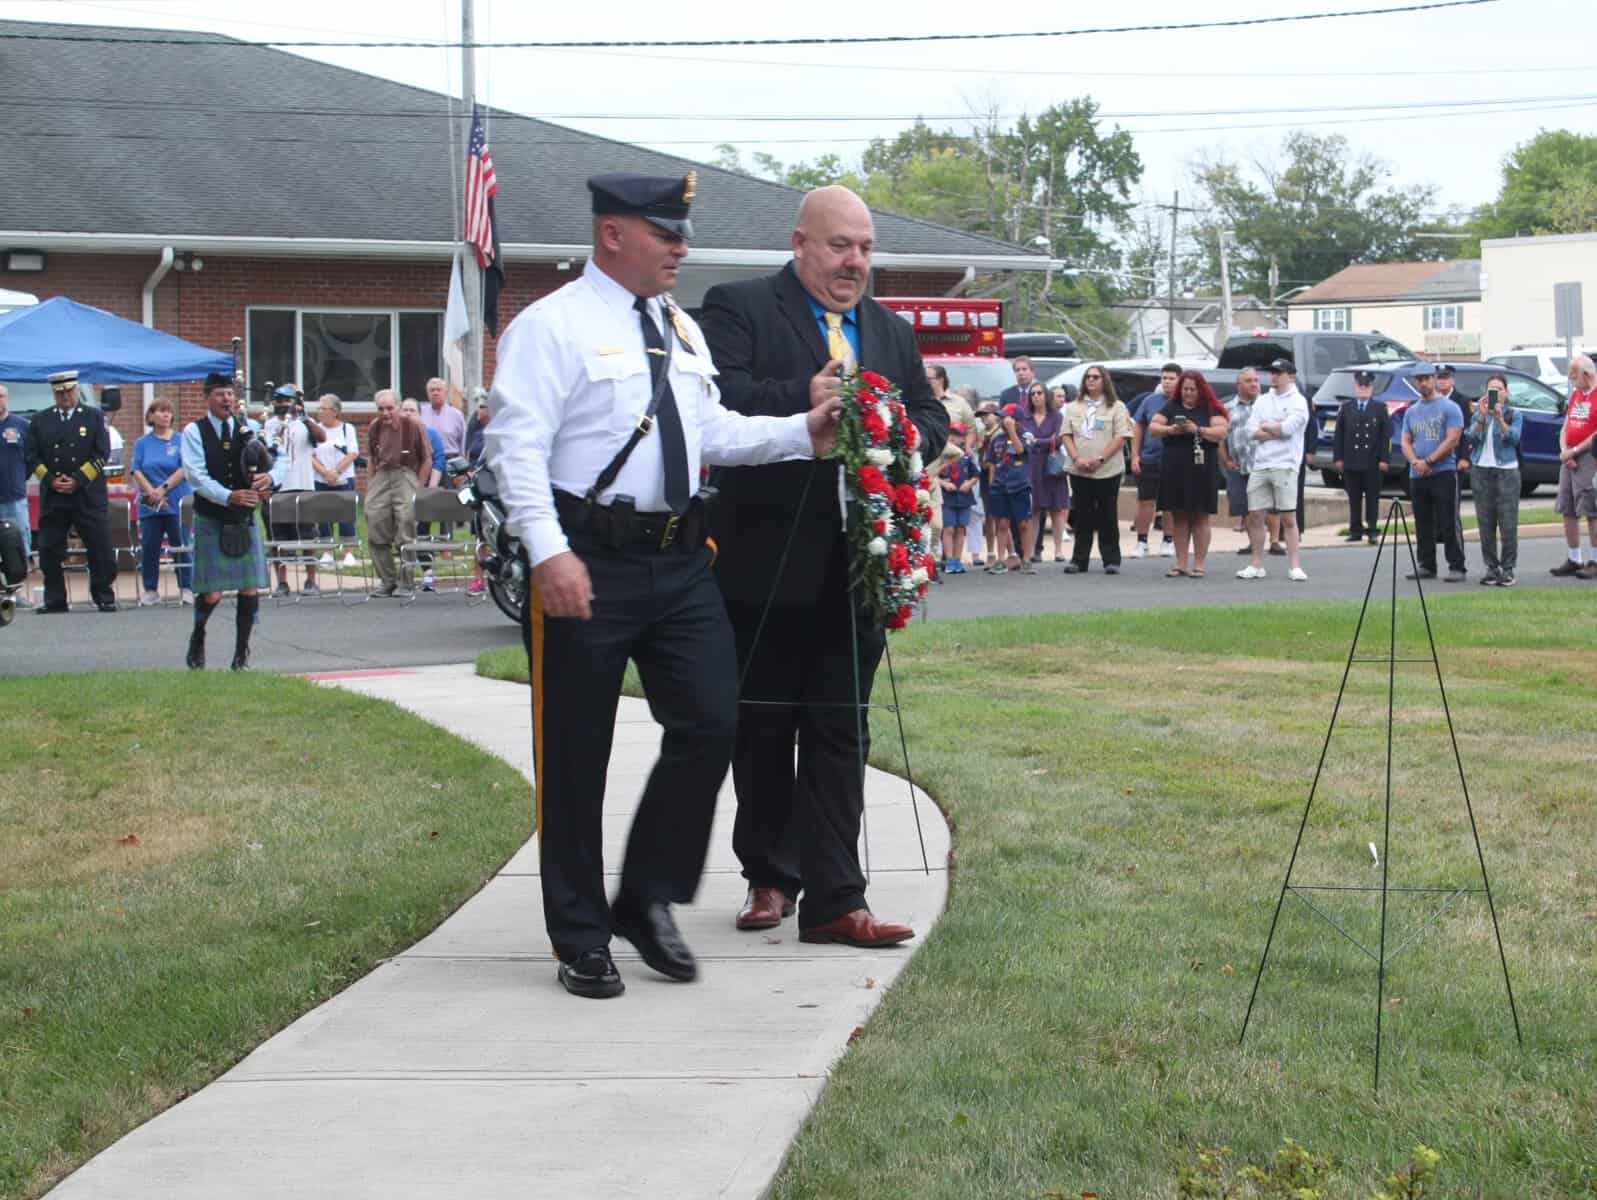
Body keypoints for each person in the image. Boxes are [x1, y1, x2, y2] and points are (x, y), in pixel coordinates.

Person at [485, 172, 845, 1000]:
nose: (680, 247)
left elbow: (707, 429)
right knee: (576, 755)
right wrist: (547, 553)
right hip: (587, 555)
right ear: (611, 234)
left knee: (713, 723)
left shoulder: (678, 326)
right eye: (663, 232)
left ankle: (645, 896)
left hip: (681, 558)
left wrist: (800, 431)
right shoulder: (553, 327)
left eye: (681, 232)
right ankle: (579, 934)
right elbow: (517, 449)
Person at [700, 183, 946, 951]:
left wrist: (898, 432)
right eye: (841, 246)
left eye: (866, 248)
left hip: (858, 568)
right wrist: (797, 400)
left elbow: (931, 417)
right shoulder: (737, 307)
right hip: (762, 558)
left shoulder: (888, 330)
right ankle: (769, 876)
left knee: (842, 729)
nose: (855, 262)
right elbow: (719, 399)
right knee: (763, 724)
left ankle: (839, 899)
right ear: (800, 243)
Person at [180, 372, 286, 670]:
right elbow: (195, 476)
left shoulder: (250, 427)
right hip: (212, 516)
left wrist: (271, 478)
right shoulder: (194, 431)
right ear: (207, 397)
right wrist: (229, 496)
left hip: (244, 519)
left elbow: (281, 457)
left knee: (249, 588)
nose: (227, 399)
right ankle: (198, 636)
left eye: (230, 394)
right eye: (219, 394)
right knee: (212, 590)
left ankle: (241, 654)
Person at [24, 370, 117, 613]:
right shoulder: (40, 420)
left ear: (77, 390)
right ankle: (55, 599)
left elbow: (101, 453)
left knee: (99, 547)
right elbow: (32, 456)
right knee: (48, 548)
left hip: (86, 494)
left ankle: (104, 595)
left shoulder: (93, 417)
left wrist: (77, 479)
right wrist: (50, 479)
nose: (66, 396)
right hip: (54, 495)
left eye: (69, 391)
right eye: (60, 392)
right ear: (54, 393)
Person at [1237, 359, 1310, 582]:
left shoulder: (1299, 401)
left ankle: (1294, 566)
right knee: (1256, 515)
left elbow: (1289, 429)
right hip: (1261, 464)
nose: (1275, 376)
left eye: (1279, 373)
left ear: (1291, 376)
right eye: (1273, 372)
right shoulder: (1262, 400)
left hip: (1286, 465)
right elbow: (1250, 430)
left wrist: (1269, 426)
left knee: (1288, 517)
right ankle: (1256, 564)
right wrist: (1274, 428)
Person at [1150, 370, 1227, 577]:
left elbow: (1221, 432)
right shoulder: (1171, 406)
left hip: (1202, 468)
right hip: (1175, 468)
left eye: (1192, 389)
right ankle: (1181, 563)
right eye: (1185, 389)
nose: (1188, 393)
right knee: (1179, 516)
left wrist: (1198, 430)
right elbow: (1153, 427)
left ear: (1200, 389)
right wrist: (1171, 430)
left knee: (1201, 516)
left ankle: (1199, 564)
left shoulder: (1211, 408)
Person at [1061, 363, 1132, 574]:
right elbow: (1066, 434)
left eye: (1095, 377)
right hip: (1079, 469)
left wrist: (1100, 459)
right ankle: (1079, 560)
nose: (1090, 380)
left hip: (1107, 469)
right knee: (1082, 515)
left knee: (1107, 515)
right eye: (1088, 377)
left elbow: (1121, 437)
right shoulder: (1074, 407)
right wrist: (1077, 458)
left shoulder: (1117, 407)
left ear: (1104, 381)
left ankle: (1111, 560)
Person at [1400, 363, 1467, 582]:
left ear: (1435, 379)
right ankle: (1426, 564)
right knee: (1423, 521)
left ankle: (1457, 565)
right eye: (1419, 380)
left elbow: (1452, 439)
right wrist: (1415, 462)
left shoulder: (1450, 408)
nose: (1423, 383)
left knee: (1448, 520)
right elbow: (1405, 440)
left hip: (1444, 472)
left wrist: (1429, 461)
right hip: (1417, 474)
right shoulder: (1412, 410)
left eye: (1427, 378)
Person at [262, 383, 326, 597]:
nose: (282, 405)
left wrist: (305, 416)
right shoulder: (268, 424)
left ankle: (310, 580)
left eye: (286, 401)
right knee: (278, 538)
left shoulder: (304, 424)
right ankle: (282, 582)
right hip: (278, 488)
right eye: (279, 401)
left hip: (303, 486)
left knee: (308, 536)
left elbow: (322, 437)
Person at [365, 389, 430, 598]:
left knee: (405, 524)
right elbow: (371, 457)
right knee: (374, 520)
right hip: (382, 474)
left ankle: (406, 582)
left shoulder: (413, 425)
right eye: (380, 409)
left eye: (389, 408)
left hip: (405, 473)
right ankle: (387, 580)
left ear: (399, 407)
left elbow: (427, 458)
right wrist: (371, 482)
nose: (385, 413)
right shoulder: (374, 427)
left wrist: (418, 488)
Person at [130, 397, 193, 605]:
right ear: (151, 416)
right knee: (150, 546)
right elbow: (136, 469)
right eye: (160, 411)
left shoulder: (180, 439)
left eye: (168, 411)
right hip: (150, 502)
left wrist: (163, 488)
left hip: (176, 499)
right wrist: (152, 492)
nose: (166, 415)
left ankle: (186, 587)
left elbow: (184, 469)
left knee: (181, 544)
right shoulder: (142, 443)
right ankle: (150, 589)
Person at [1465, 372, 1523, 587]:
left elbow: (1513, 439)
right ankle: (1491, 567)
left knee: (1508, 524)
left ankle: (1508, 569)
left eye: (1499, 389)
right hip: (1481, 470)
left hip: (1506, 472)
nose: (1496, 393)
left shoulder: (1514, 414)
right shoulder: (1479, 413)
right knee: (1485, 522)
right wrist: (1481, 416)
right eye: (1492, 389)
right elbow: (1470, 437)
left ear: (1506, 393)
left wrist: (1499, 418)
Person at [1550, 354, 1597, 579]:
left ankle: (1595, 560)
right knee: (1567, 506)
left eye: (1573, 376)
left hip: (1589, 458)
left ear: (1587, 375)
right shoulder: (1576, 395)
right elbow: (1566, 425)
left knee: (1590, 509)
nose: (1571, 381)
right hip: (1568, 457)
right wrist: (1564, 451)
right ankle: (1574, 558)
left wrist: (1576, 451)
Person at [1332, 369, 1391, 545]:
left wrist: (1384, 459)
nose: (1363, 388)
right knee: (1354, 498)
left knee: (1372, 498)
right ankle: (1355, 530)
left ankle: (1372, 530)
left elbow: (1385, 436)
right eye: (1360, 385)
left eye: (1367, 385)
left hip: (1372, 462)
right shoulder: (1346, 408)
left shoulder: (1380, 408)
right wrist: (1338, 458)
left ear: (1372, 387)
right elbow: (1339, 435)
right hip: (1351, 460)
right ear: (1355, 386)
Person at [1129, 363, 1180, 558]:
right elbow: (1138, 427)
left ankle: (1168, 540)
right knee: (1145, 501)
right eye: (1164, 378)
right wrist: (1135, 455)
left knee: (1170, 503)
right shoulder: (1150, 401)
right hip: (1150, 457)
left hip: (1175, 460)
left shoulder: (1185, 400)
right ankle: (1142, 541)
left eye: (1171, 378)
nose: (1167, 382)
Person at [1018, 379, 1069, 564]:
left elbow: (1058, 439)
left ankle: (1058, 550)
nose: (1036, 396)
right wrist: (1043, 441)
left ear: (1046, 396)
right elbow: (1023, 439)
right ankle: (1030, 551)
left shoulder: (1056, 416)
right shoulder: (1025, 417)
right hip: (1031, 465)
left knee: (1056, 508)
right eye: (1033, 393)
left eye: (1039, 393)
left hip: (1051, 464)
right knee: (1034, 509)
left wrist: (1038, 442)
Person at [403, 396, 448, 590]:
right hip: (402, 491)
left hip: (425, 490)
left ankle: (428, 575)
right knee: (404, 533)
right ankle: (406, 575)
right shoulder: (396, 436)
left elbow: (438, 461)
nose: (407, 413)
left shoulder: (431, 434)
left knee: (422, 533)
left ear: (420, 414)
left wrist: (430, 490)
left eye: (411, 410)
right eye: (404, 410)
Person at [310, 394, 360, 567]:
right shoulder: (315, 429)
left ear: (335, 411)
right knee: (324, 516)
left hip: (344, 478)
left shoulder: (348, 428)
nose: (319, 411)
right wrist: (325, 472)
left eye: (323, 408)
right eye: (319, 408)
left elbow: (353, 452)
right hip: (320, 479)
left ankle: (348, 553)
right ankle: (327, 552)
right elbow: (310, 455)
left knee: (346, 516)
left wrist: (336, 472)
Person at [984, 402, 1031, 572]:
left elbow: (1019, 451)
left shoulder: (1025, 435)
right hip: (1000, 486)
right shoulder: (997, 439)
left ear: (1016, 420)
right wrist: (991, 485)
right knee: (1002, 524)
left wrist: (1012, 430)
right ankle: (1000, 560)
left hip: (1019, 485)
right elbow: (993, 464)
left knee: (1023, 524)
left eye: (1005, 418)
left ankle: (1026, 559)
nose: (1001, 420)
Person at [1220, 367, 1260, 543]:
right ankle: (1254, 544)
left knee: (1268, 508)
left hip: (1262, 466)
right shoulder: (1227, 409)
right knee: (1243, 507)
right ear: (1238, 385)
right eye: (1249, 381)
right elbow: (1220, 439)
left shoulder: (1265, 405)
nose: (1254, 384)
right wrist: (1226, 460)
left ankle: (1273, 542)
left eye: (1255, 380)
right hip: (1238, 466)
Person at [0, 383, 31, 606]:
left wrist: (19, 478)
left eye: (0, 396)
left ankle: (15, 594)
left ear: (7, 398)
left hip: (14, 498)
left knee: (17, 548)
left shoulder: (21, 426)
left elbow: (31, 460)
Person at [937, 422, 978, 572]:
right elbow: (931, 475)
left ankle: (957, 560)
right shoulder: (941, 455)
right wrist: (943, 483)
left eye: (958, 435)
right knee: (948, 529)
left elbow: (975, 475)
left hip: (964, 497)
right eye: (951, 434)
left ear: (963, 439)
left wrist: (969, 483)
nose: (954, 438)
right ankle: (948, 560)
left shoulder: (966, 457)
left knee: (961, 529)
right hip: (947, 497)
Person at [418, 375, 467, 459]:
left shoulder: (456, 415)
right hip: (428, 459)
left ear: (445, 392)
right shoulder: (420, 413)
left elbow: (464, 442)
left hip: (451, 459)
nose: (435, 393)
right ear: (427, 393)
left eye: (438, 390)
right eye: (432, 390)